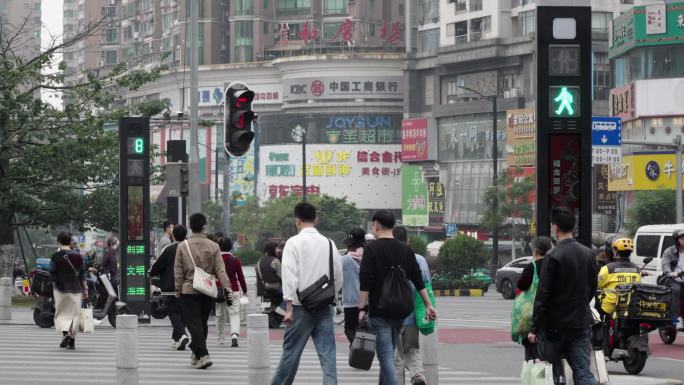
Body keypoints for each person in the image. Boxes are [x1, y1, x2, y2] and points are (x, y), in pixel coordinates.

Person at [358, 210, 437, 385]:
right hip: (401, 311)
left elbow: (365, 282)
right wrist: (428, 305)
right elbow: (418, 280)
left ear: (376, 225)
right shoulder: (406, 250)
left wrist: (361, 308)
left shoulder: (372, 249)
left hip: (380, 310)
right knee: (390, 352)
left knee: (386, 355)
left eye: (373, 225)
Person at [271, 202, 343, 385]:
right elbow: (338, 275)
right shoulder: (329, 243)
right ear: (316, 220)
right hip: (324, 306)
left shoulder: (293, 243)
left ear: (297, 221)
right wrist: (331, 298)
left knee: (291, 353)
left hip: (299, 307)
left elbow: (289, 276)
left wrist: (288, 306)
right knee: (328, 356)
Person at [529, 207, 598, 385]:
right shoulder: (589, 254)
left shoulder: (552, 256)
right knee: (583, 371)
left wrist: (534, 328)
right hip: (581, 322)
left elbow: (543, 296)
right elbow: (592, 289)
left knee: (555, 374)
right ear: (573, 228)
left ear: (555, 228)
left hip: (555, 326)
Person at [174, 213, 233, 369]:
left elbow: (178, 271)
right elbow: (221, 270)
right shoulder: (214, 246)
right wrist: (227, 288)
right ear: (204, 226)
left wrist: (178, 289)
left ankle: (203, 354)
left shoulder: (182, 246)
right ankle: (196, 353)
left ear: (189, 226)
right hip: (207, 290)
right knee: (202, 323)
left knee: (194, 324)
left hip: (189, 290)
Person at [392, 226, 431, 385]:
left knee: (397, 356)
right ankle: (417, 375)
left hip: (392, 315)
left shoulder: (387, 258)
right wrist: (428, 306)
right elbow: (427, 287)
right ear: (407, 240)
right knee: (412, 350)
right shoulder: (420, 259)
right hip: (413, 315)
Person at [150, 225, 189, 351]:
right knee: (183, 312)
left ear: (173, 236)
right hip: (188, 285)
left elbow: (157, 266)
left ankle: (182, 336)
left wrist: (149, 273)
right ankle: (176, 338)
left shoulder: (169, 249)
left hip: (171, 286)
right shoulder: (189, 249)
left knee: (173, 312)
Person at [516, 236, 553, 360]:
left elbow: (521, 285)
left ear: (535, 251)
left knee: (533, 354)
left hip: (533, 314)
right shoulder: (554, 265)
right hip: (553, 315)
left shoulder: (532, 267)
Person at [49, 231, 88, 350]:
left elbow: (52, 272)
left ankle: (65, 334)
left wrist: (55, 286)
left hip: (61, 289)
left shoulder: (55, 256)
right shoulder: (78, 256)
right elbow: (82, 273)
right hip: (76, 289)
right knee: (75, 315)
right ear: (70, 241)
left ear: (59, 242)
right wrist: (85, 289)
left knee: (62, 314)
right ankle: (72, 342)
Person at [216, 236, 248, 347]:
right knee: (234, 313)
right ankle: (234, 335)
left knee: (220, 314)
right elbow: (241, 277)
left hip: (219, 290)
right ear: (230, 247)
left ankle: (220, 337)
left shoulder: (216, 260)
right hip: (233, 290)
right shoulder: (235, 260)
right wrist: (245, 290)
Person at [597, 237, 640, 317]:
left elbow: (598, 284)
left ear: (615, 251)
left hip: (609, 307)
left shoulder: (607, 268)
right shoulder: (637, 269)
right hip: (629, 307)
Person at [341, 227, 366, 344]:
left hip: (351, 301)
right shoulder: (369, 256)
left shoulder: (345, 260)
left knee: (350, 329)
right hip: (367, 300)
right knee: (363, 329)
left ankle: (358, 353)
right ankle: (362, 351)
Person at [661, 229, 684, 326]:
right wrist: (671, 273)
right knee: (676, 290)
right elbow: (665, 265)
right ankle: (676, 319)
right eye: (682, 238)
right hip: (672, 280)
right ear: (676, 240)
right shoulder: (669, 251)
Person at [257, 241, 285, 313]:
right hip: (276, 289)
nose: (277, 250)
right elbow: (281, 276)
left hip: (263, 289)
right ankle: (281, 314)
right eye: (276, 248)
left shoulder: (260, 260)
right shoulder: (275, 261)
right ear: (273, 249)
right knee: (289, 299)